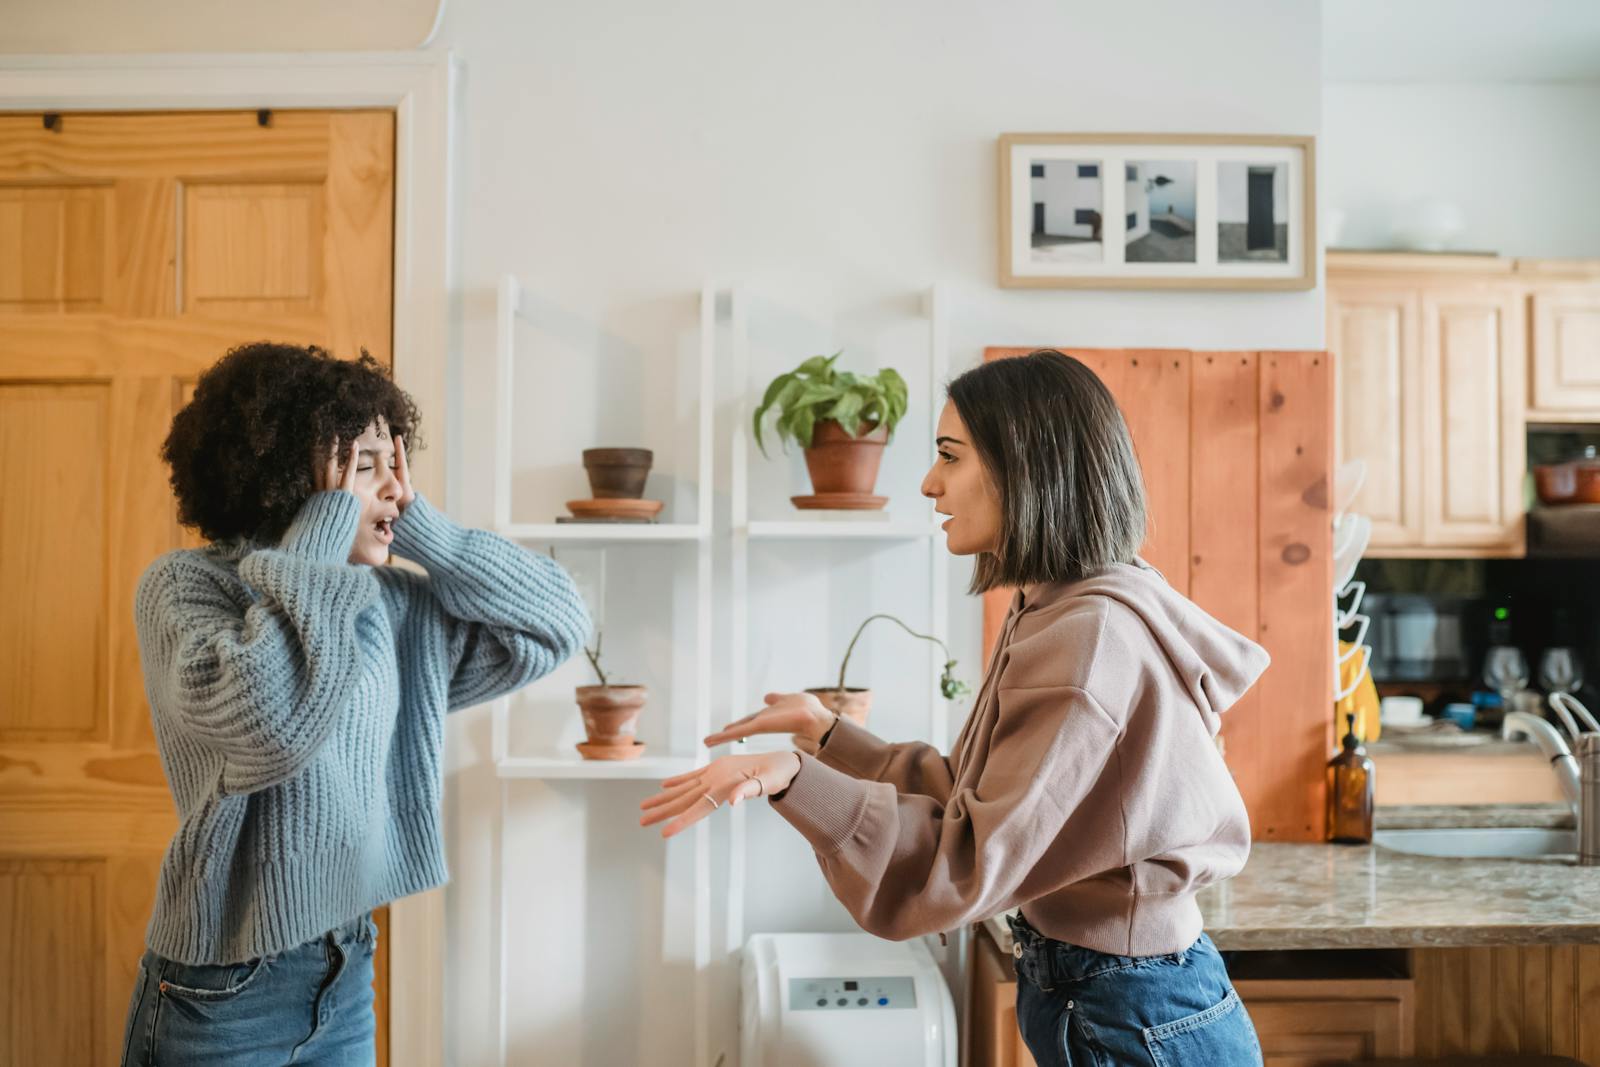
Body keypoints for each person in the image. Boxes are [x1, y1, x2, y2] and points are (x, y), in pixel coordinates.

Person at [642, 349, 1268, 1066]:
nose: (930, 483)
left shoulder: (1087, 636)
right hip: (1121, 997)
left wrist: (793, 777)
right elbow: (983, 798)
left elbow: (966, 857)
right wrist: (827, 734)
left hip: (1128, 1009)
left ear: (1026, 467)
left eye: (950, 456)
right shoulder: (1061, 604)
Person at [120, 342, 589, 1067]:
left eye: (394, 464)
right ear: (284, 478)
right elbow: (268, 724)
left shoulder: (392, 604)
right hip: (219, 992)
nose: (392, 489)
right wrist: (325, 534)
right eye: (362, 467)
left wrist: (423, 527)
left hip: (344, 970)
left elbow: (557, 623)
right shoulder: (187, 589)